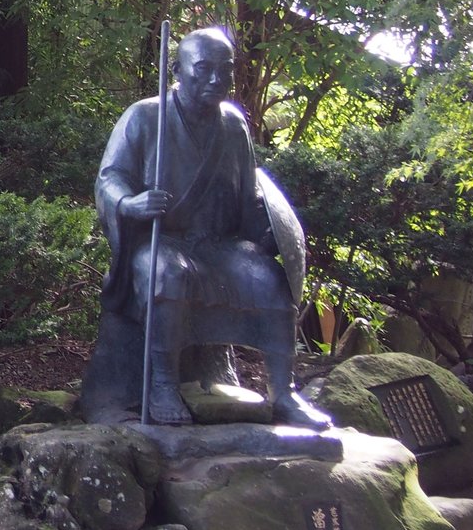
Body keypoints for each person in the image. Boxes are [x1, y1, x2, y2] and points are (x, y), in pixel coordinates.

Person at [89, 26, 329, 427]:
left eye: (225, 70)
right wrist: (131, 203)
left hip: (218, 245)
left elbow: (248, 192)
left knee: (271, 279)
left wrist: (268, 233)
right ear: (179, 70)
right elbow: (109, 177)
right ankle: (162, 384)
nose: (216, 79)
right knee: (165, 274)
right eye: (203, 69)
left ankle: (284, 394)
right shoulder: (146, 116)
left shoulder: (234, 126)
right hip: (161, 240)